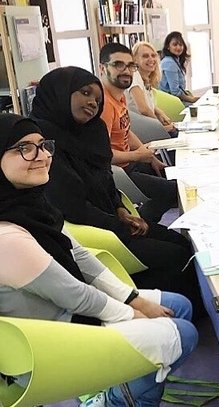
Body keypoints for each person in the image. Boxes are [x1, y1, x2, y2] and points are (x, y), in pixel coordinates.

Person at [0, 113, 198, 405]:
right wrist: (133, 314)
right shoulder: (7, 237)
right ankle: (115, 400)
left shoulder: (32, 205)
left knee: (178, 306)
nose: (41, 155)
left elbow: (79, 256)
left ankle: (136, 378)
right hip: (49, 342)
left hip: (66, 313)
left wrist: (134, 300)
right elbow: (74, 295)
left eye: (43, 145)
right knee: (183, 333)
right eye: (24, 148)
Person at [30, 66, 203, 316]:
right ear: (60, 93)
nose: (92, 102)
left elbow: (106, 180)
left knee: (182, 240)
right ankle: (171, 311)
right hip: (93, 232)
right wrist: (120, 225)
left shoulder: (92, 132)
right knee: (175, 255)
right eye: (84, 93)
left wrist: (122, 211)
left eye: (97, 99)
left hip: (112, 218)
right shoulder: (45, 145)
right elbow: (73, 208)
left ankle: (188, 306)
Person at [99, 42, 178, 223]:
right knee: (174, 190)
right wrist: (137, 155)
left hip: (132, 162)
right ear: (103, 68)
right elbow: (103, 155)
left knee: (180, 177)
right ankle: (140, 224)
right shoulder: (104, 105)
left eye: (130, 66)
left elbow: (126, 132)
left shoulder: (119, 96)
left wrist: (149, 157)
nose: (126, 71)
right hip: (120, 171)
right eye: (118, 65)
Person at [128, 41, 177, 137]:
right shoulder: (134, 76)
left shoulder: (146, 80)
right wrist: (159, 126)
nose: (151, 59)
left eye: (153, 55)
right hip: (138, 132)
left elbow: (149, 105)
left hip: (147, 125)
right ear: (135, 60)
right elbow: (143, 109)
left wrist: (160, 113)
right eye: (145, 56)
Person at [159, 31, 199, 105]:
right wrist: (192, 99)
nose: (178, 47)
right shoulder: (169, 63)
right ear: (168, 46)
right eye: (175, 45)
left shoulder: (173, 60)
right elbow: (175, 92)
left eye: (180, 45)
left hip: (175, 98)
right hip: (172, 102)